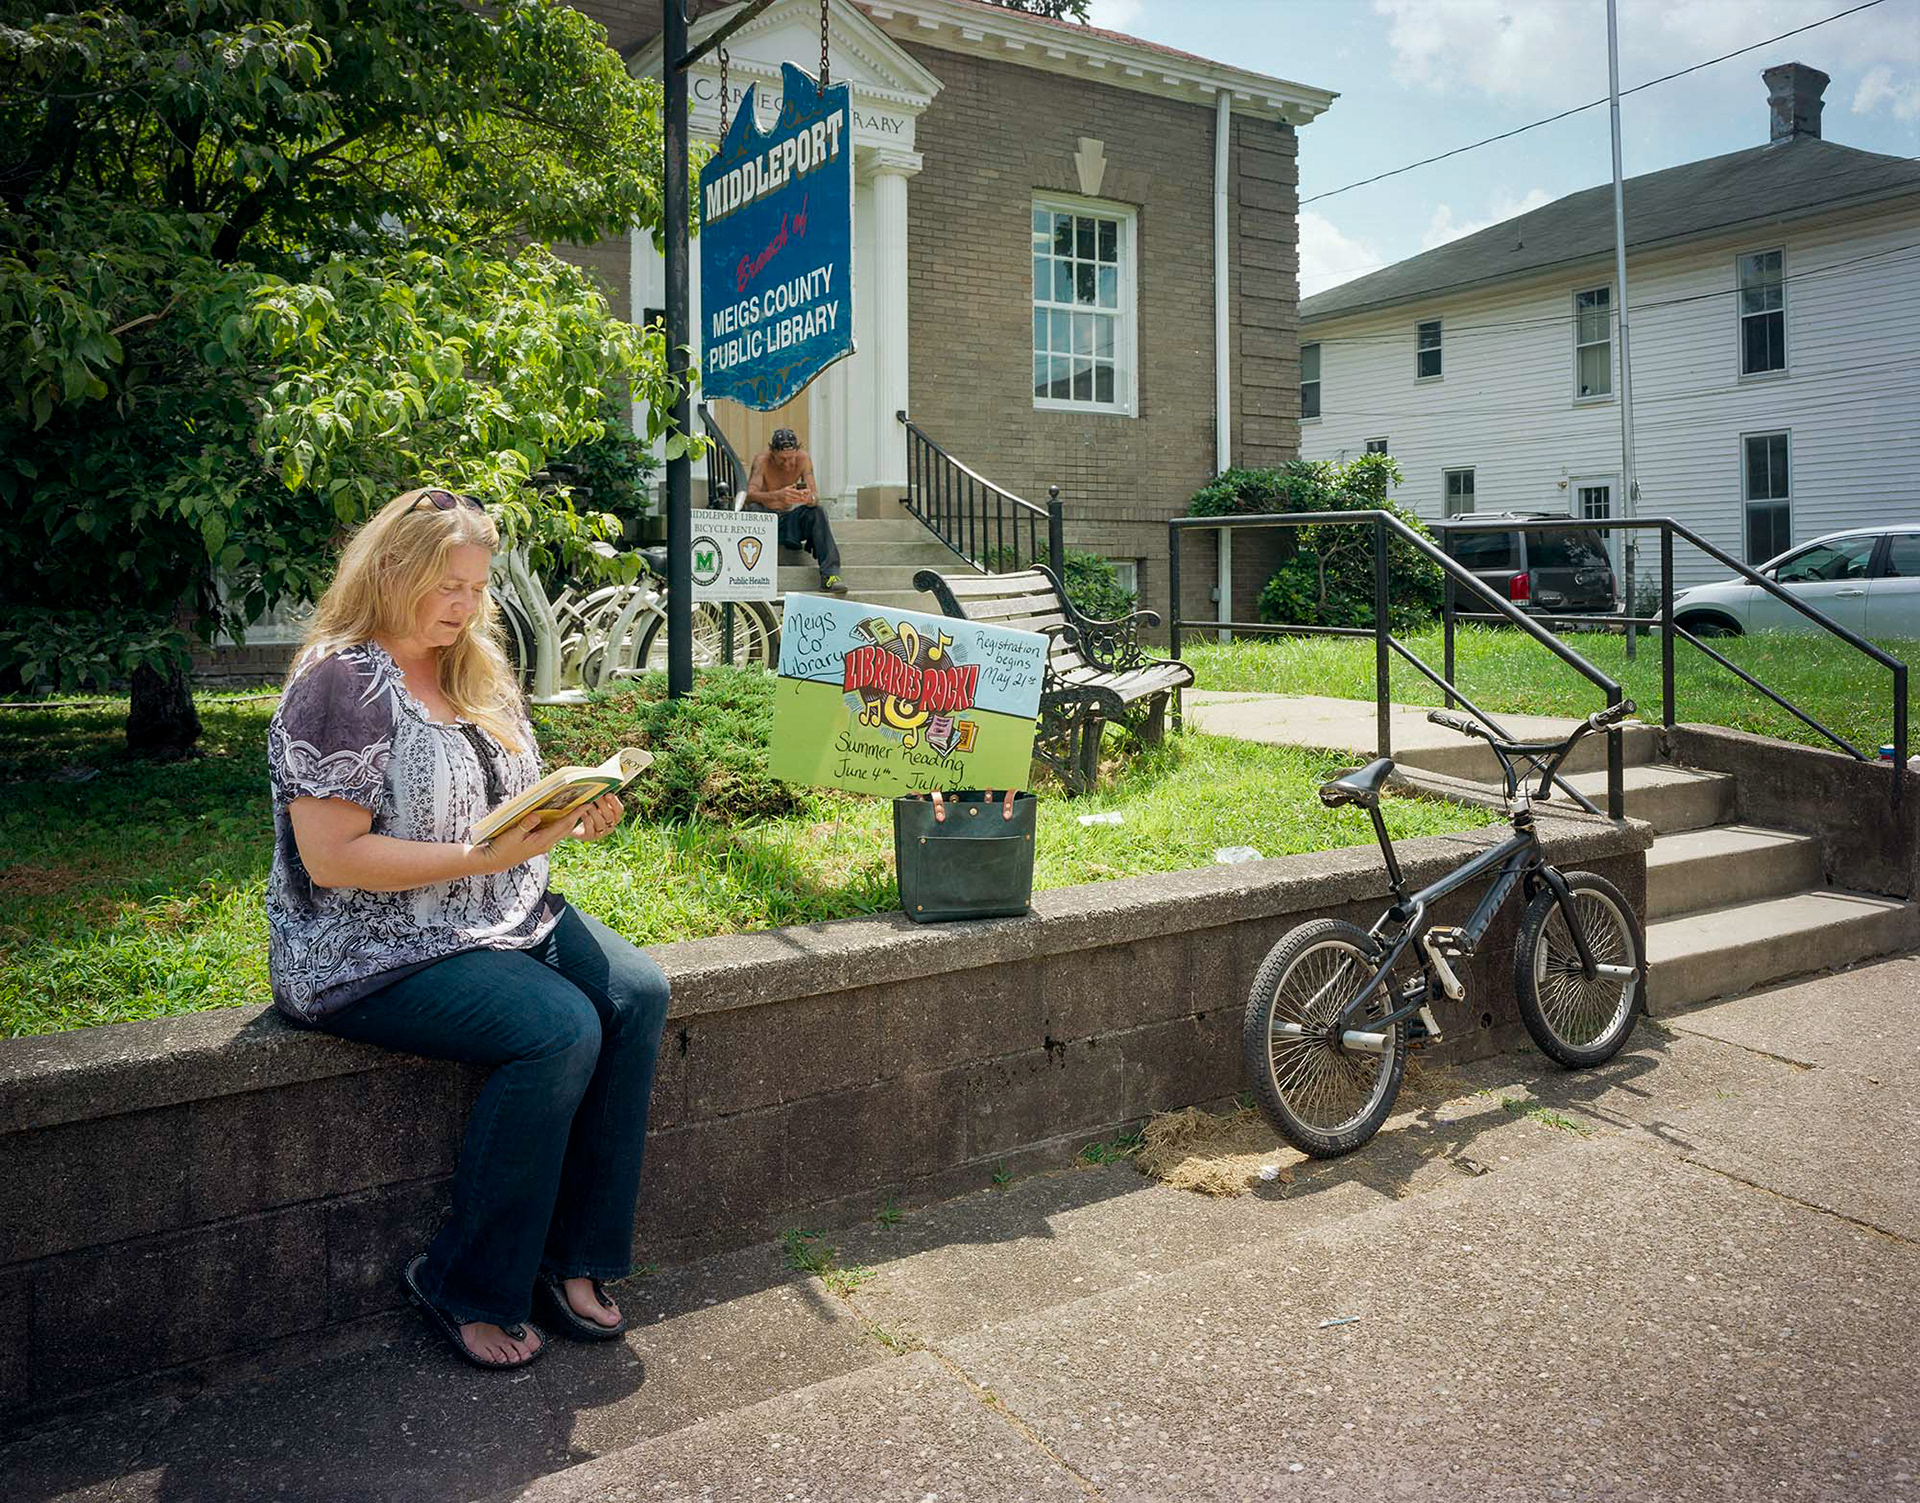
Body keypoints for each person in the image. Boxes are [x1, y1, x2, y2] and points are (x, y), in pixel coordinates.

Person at [264, 486, 671, 1372]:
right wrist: (476, 860)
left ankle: (575, 1258)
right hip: (364, 945)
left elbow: (501, 811)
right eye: (447, 585)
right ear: (392, 569)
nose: (464, 606)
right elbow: (332, 858)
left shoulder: (474, 666)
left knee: (638, 993)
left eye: (477, 588)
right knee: (558, 1029)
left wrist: (572, 814)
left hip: (494, 912)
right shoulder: (342, 681)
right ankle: (464, 1281)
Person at [743, 426, 847, 594]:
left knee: (817, 511)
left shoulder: (803, 459)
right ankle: (753, 574)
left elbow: (815, 496)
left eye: (791, 458)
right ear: (772, 452)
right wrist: (778, 495)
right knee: (752, 510)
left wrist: (808, 499)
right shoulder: (762, 460)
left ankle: (830, 575)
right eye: (782, 459)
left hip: (788, 521)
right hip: (765, 520)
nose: (787, 463)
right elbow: (749, 495)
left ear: (797, 451)